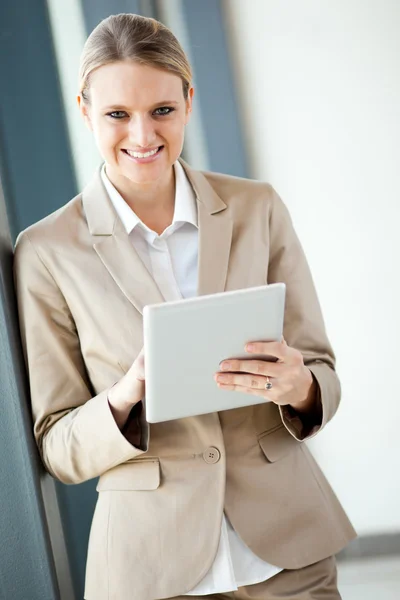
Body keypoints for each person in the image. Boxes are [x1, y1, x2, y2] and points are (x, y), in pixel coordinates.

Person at [13, 13, 356, 600]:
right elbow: (57, 446)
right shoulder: (47, 251)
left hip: (289, 555)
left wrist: (299, 385)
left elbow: (321, 371)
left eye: (162, 111)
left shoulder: (257, 208)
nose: (143, 136)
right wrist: (125, 396)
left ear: (190, 101)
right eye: (118, 113)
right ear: (85, 109)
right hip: (151, 571)